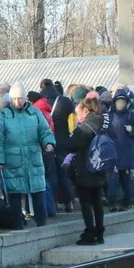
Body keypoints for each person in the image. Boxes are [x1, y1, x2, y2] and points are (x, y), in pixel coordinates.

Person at [0, 83, 56, 229]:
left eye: (20, 99)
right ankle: (18, 223)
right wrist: (0, 160)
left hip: (33, 157)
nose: (18, 102)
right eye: (15, 99)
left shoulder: (35, 113)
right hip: (12, 159)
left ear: (25, 98)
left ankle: (41, 221)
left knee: (38, 190)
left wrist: (49, 143)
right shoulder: (4, 115)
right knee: (14, 192)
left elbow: (45, 131)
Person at [68, 97, 109, 245]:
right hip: (100, 168)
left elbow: (71, 145)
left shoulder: (83, 128)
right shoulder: (103, 124)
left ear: (85, 111)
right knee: (97, 202)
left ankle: (89, 233)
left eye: (77, 113)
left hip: (85, 169)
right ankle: (100, 233)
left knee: (85, 202)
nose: (77, 116)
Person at [105, 89, 134, 212]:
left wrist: (132, 129)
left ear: (127, 103)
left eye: (123, 102)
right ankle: (113, 202)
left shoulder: (130, 115)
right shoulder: (109, 116)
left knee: (126, 179)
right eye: (118, 102)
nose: (120, 104)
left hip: (126, 152)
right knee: (113, 179)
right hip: (112, 152)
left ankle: (127, 201)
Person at [51, 83, 77, 213]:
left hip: (49, 143)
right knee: (64, 173)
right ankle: (69, 201)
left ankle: (55, 202)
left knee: (52, 175)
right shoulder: (66, 102)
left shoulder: (41, 102)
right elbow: (73, 122)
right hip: (64, 141)